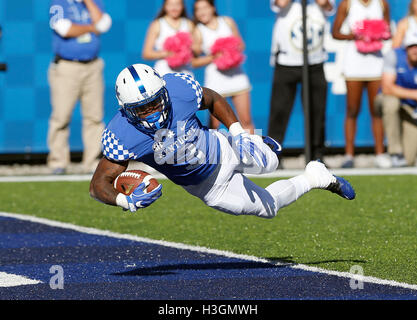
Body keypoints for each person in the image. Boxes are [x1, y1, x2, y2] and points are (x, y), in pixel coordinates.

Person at [89, 63, 355, 217]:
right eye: (143, 109)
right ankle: (315, 178)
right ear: (126, 109)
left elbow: (213, 98)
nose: (154, 112)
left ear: (164, 93)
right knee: (268, 209)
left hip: (221, 148)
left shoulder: (177, 88)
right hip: (206, 186)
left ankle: (260, 145)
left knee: (271, 163)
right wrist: (123, 201)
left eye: (156, 103)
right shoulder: (121, 134)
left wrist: (237, 132)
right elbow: (98, 184)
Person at [48, 0, 112, 174]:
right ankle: (58, 162)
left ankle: (92, 162)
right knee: (61, 117)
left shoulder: (94, 2)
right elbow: (65, 29)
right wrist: (92, 28)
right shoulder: (59, 3)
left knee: (94, 116)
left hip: (93, 65)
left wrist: (88, 3)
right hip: (67, 67)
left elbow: (104, 25)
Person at [268, 0, 335, 167]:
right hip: (286, 62)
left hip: (315, 62)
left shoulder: (314, 5)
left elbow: (326, 4)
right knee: (279, 112)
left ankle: (316, 156)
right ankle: (273, 155)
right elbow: (281, 3)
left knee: (316, 112)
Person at [332, 0, 391, 168]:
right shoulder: (347, 4)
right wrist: (355, 35)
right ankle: (349, 154)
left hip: (376, 64)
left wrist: (378, 32)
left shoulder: (382, 4)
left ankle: (380, 153)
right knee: (352, 109)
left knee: (377, 110)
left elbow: (389, 30)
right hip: (354, 65)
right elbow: (335, 32)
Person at [191, 0, 254, 134]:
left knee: (246, 120)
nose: (202, 12)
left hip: (237, 76)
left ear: (212, 8)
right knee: (214, 124)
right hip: (215, 80)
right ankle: (216, 154)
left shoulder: (227, 21)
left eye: (205, 7)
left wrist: (229, 50)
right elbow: (194, 61)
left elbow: (241, 45)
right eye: (198, 9)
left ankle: (253, 152)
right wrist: (214, 56)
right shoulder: (197, 30)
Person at [375, 32, 417, 167]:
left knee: (409, 160)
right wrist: (414, 94)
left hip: (410, 108)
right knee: (391, 102)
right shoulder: (394, 55)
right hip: (388, 101)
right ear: (406, 48)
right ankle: (395, 152)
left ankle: (400, 157)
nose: (415, 49)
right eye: (412, 46)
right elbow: (387, 88)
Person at [142, 0, 194, 76]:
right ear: (165, 6)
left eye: (177, 4)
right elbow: (146, 53)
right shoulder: (157, 24)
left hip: (185, 72)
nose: (174, 8)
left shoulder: (189, 24)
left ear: (182, 6)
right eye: (170, 4)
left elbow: (195, 49)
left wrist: (184, 51)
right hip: (164, 72)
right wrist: (167, 54)